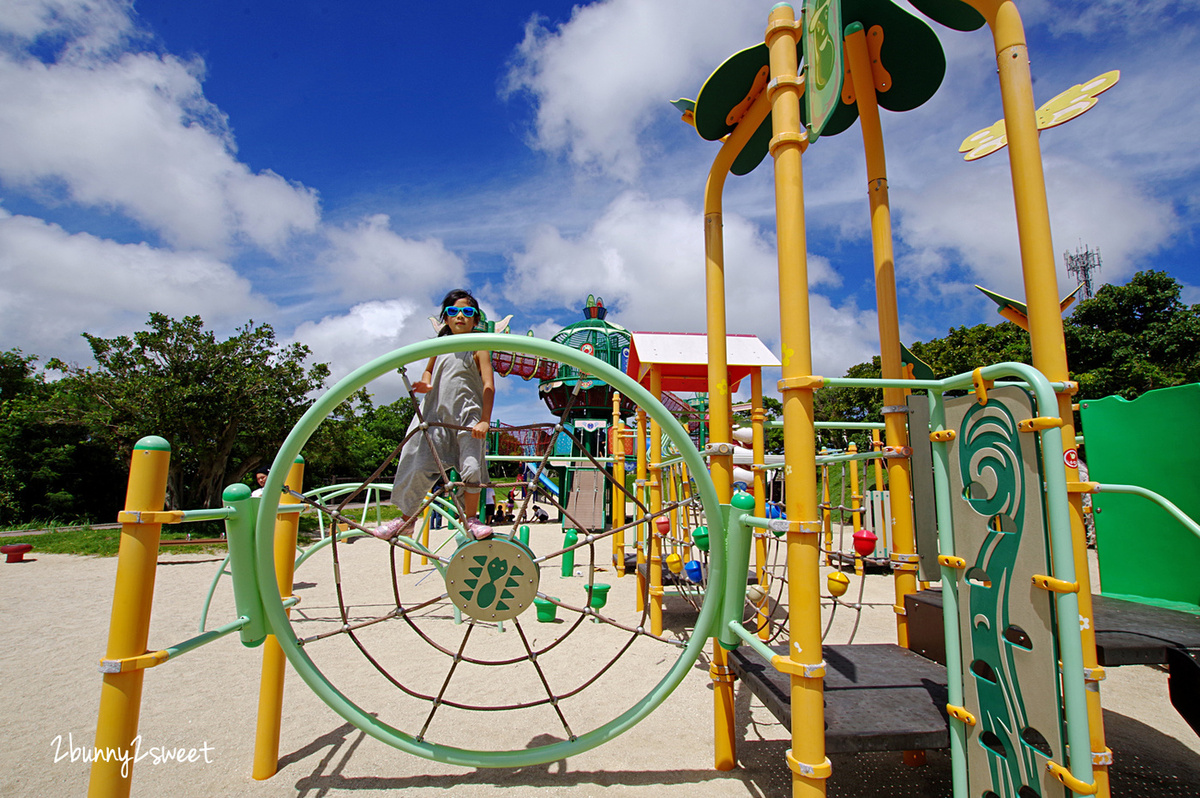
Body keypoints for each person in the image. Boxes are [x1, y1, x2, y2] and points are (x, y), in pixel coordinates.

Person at [374, 289, 495, 541]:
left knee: (472, 468)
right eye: (453, 311)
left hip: (467, 418)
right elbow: (428, 373)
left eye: (467, 312)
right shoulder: (439, 346)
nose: (460, 315)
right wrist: (425, 384)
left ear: (475, 320)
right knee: (418, 465)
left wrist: (485, 419)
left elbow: (488, 385)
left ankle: (471, 518)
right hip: (435, 417)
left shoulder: (479, 346)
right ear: (446, 319)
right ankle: (406, 519)